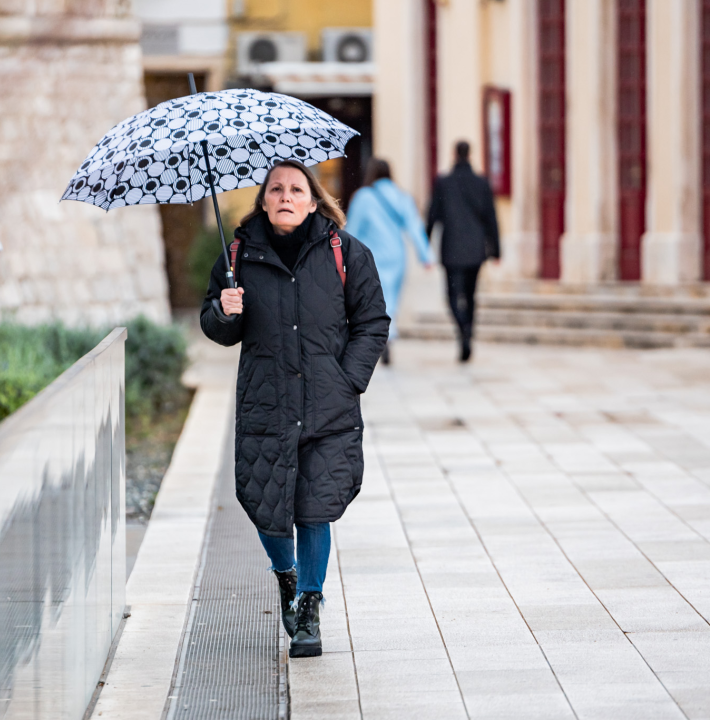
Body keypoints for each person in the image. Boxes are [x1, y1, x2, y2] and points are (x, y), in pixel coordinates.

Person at [200, 159, 389, 658]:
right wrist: (225, 311)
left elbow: (372, 321)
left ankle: (309, 603)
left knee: (312, 509)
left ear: (313, 199)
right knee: (266, 509)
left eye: (296, 189)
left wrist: (349, 379)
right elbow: (216, 327)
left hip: (328, 405)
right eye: (276, 189)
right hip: (267, 402)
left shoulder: (345, 252)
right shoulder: (237, 255)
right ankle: (285, 574)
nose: (286, 196)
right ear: (263, 199)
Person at [345, 158, 434, 364]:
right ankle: (389, 334)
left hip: (370, 256)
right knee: (391, 299)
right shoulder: (401, 196)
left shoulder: (363, 197)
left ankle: (382, 336)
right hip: (396, 255)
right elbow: (414, 226)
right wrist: (426, 256)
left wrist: (344, 255)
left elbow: (352, 231)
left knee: (373, 300)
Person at [427, 140, 500, 362]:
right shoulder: (481, 183)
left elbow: (433, 215)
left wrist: (425, 243)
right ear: (470, 154)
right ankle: (468, 330)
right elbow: (491, 218)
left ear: (453, 154)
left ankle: (463, 330)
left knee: (451, 296)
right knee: (470, 295)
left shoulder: (444, 182)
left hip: (451, 248)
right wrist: (496, 250)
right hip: (475, 249)